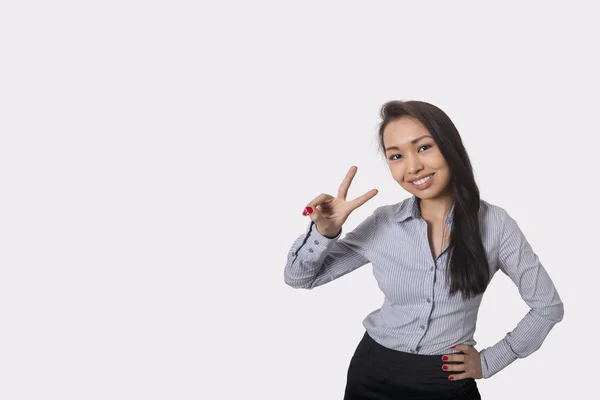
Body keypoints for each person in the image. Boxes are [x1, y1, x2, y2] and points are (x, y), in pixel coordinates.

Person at [283, 100, 564, 400]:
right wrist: (324, 232)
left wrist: (489, 361)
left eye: (424, 147)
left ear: (449, 146)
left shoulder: (495, 224)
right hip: (373, 372)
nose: (413, 166)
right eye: (396, 156)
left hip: (446, 380)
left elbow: (547, 307)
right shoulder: (384, 223)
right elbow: (300, 278)